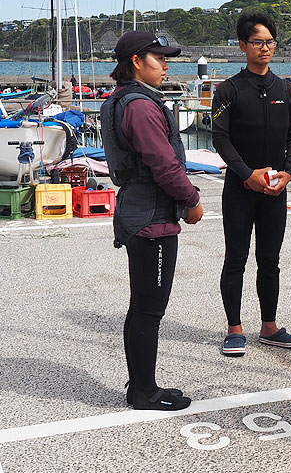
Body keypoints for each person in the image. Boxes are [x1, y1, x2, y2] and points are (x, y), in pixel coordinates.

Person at [100, 30, 204, 411]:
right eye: (158, 58)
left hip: (138, 211)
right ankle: (144, 392)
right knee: (149, 307)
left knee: (141, 305)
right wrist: (191, 199)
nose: (165, 64)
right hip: (151, 218)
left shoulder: (122, 101)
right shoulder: (141, 106)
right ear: (136, 62)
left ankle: (142, 384)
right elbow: (163, 163)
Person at [211, 12, 291, 357]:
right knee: (235, 258)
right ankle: (234, 328)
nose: (264, 48)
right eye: (256, 42)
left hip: (275, 189)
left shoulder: (287, 90)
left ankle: (269, 326)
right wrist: (245, 173)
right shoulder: (226, 92)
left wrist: (289, 173)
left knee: (270, 259)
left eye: (269, 42)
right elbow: (219, 137)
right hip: (240, 189)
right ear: (242, 46)